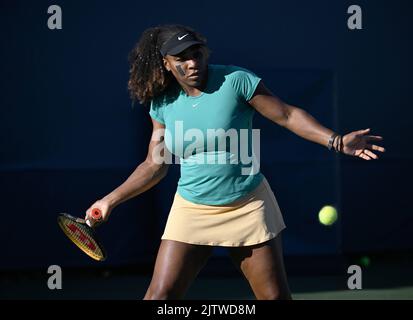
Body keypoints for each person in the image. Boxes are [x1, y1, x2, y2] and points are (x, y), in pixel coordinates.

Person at [85, 24, 385, 300]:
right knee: (159, 298)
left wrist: (336, 140)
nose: (192, 63)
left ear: (205, 53)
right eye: (181, 58)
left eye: (196, 54)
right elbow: (155, 163)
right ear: (166, 63)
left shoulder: (236, 81)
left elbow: (287, 115)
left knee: (273, 298)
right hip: (191, 208)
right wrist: (110, 200)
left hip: (247, 204)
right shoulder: (162, 103)